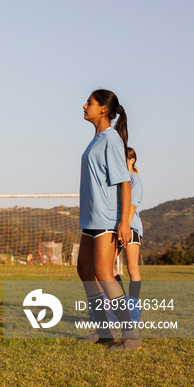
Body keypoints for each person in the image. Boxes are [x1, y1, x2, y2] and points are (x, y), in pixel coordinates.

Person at [76, 89, 140, 351]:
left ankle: (131, 337)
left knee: (104, 273)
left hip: (106, 219)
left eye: (89, 103)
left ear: (103, 109)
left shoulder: (112, 139)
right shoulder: (96, 139)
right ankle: (103, 331)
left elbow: (125, 183)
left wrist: (124, 223)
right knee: (84, 270)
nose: (84, 105)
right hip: (90, 219)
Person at [118, 147, 143, 300]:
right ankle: (120, 300)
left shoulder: (135, 180)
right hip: (118, 226)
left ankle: (133, 305)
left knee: (132, 268)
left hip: (130, 227)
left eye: (125, 158)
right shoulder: (122, 179)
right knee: (107, 269)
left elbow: (132, 207)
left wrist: (125, 227)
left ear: (132, 160)